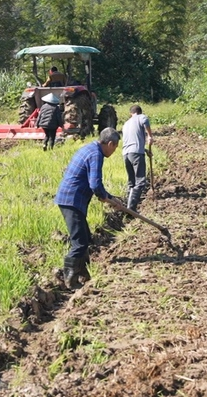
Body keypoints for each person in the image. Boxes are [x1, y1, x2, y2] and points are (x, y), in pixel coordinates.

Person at [54, 128, 122, 289]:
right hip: (71, 199)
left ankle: (83, 273)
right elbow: (95, 184)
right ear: (110, 143)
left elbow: (96, 186)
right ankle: (69, 277)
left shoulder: (90, 148)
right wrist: (107, 198)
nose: (114, 150)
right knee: (79, 242)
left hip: (71, 198)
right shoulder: (96, 155)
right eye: (115, 147)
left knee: (85, 237)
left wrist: (108, 197)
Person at [121, 104, 153, 211]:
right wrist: (150, 136)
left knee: (131, 182)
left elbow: (133, 141)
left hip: (126, 154)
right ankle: (131, 208)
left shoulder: (126, 124)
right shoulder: (141, 117)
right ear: (139, 112)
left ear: (131, 113)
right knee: (140, 181)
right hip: (136, 154)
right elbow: (145, 121)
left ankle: (127, 204)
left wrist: (145, 150)